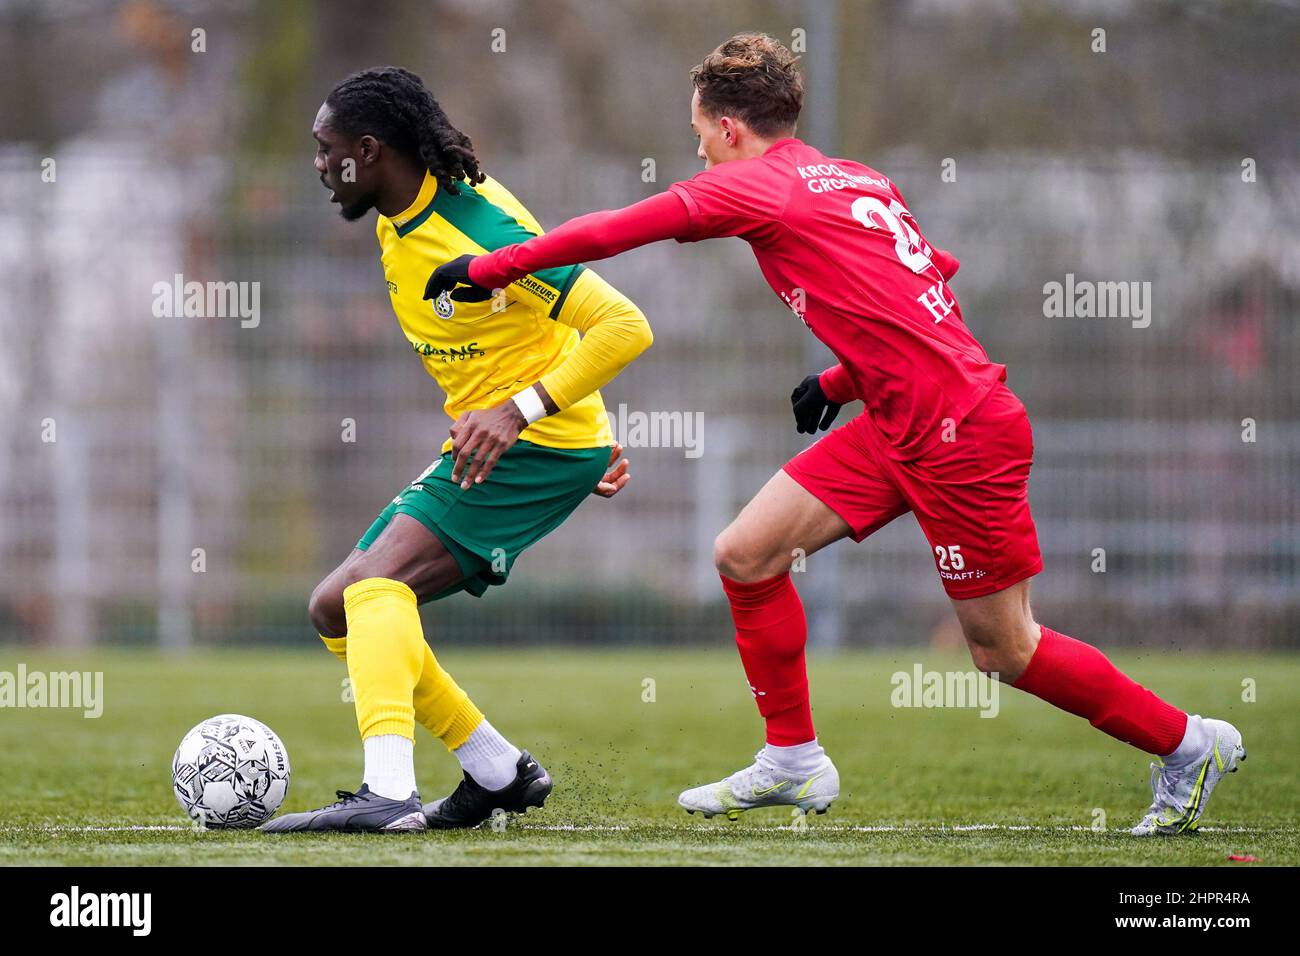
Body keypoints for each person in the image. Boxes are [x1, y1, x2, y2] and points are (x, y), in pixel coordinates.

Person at [425, 34, 1245, 835]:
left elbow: (620, 228)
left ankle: (1187, 745)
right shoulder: (857, 176)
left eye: (698, 134)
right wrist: (838, 382)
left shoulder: (755, 187)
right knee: (745, 555)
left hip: (959, 433)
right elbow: (932, 279)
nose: (700, 152)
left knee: (1004, 651)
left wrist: (490, 268)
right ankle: (792, 757)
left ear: (729, 128)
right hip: (901, 418)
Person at [264, 66, 652, 832]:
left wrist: (536, 414)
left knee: (374, 589)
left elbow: (624, 325)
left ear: (369, 151)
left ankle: (389, 794)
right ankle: (497, 769)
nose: (316, 165)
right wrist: (576, 428)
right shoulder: (394, 215)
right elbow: (532, 336)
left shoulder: (484, 234)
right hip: (526, 442)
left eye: (325, 149)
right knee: (334, 609)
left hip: (532, 443)